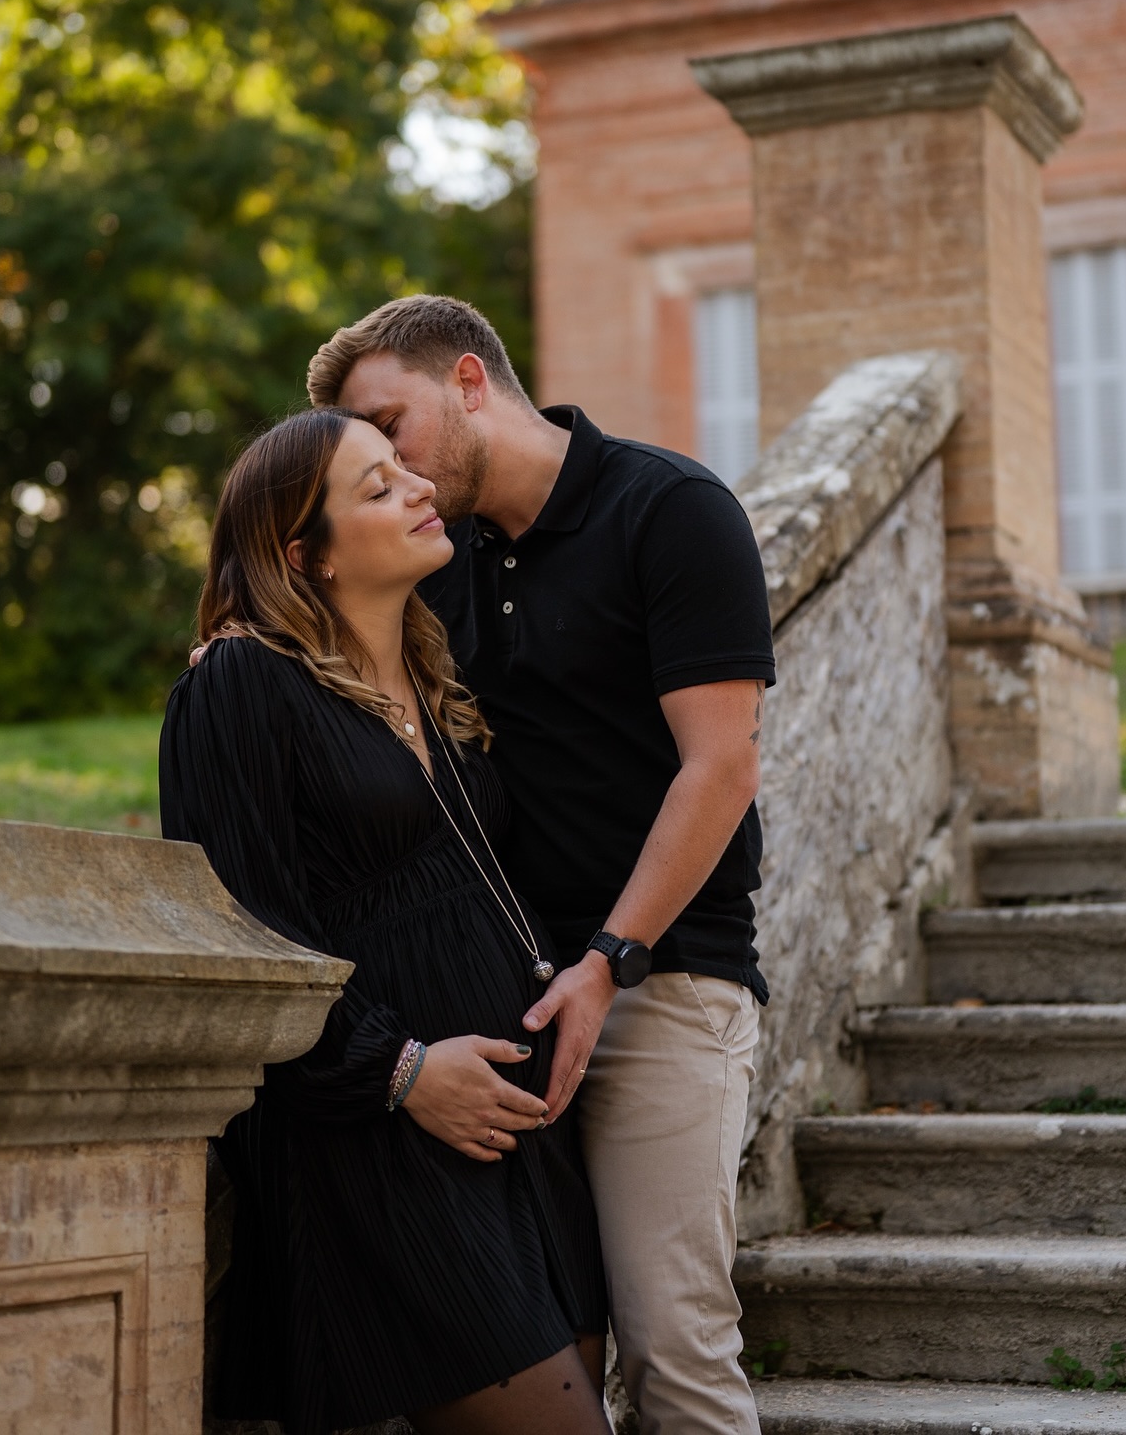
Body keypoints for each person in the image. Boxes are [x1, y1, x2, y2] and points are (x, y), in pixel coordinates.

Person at [306, 296, 776, 1435]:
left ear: (470, 381)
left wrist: (610, 959)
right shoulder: (436, 554)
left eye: (392, 426)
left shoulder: (671, 510)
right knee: (543, 1349)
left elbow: (720, 768)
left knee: (673, 1352)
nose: (390, 467)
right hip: (496, 1006)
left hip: (659, 984)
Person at [160, 408, 609, 1435]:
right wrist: (400, 1071)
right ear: (303, 554)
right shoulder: (238, 687)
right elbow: (250, 936)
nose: (416, 487)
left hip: (521, 1133)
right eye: (377, 486)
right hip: (381, 1139)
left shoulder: (436, 672)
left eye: (405, 467)